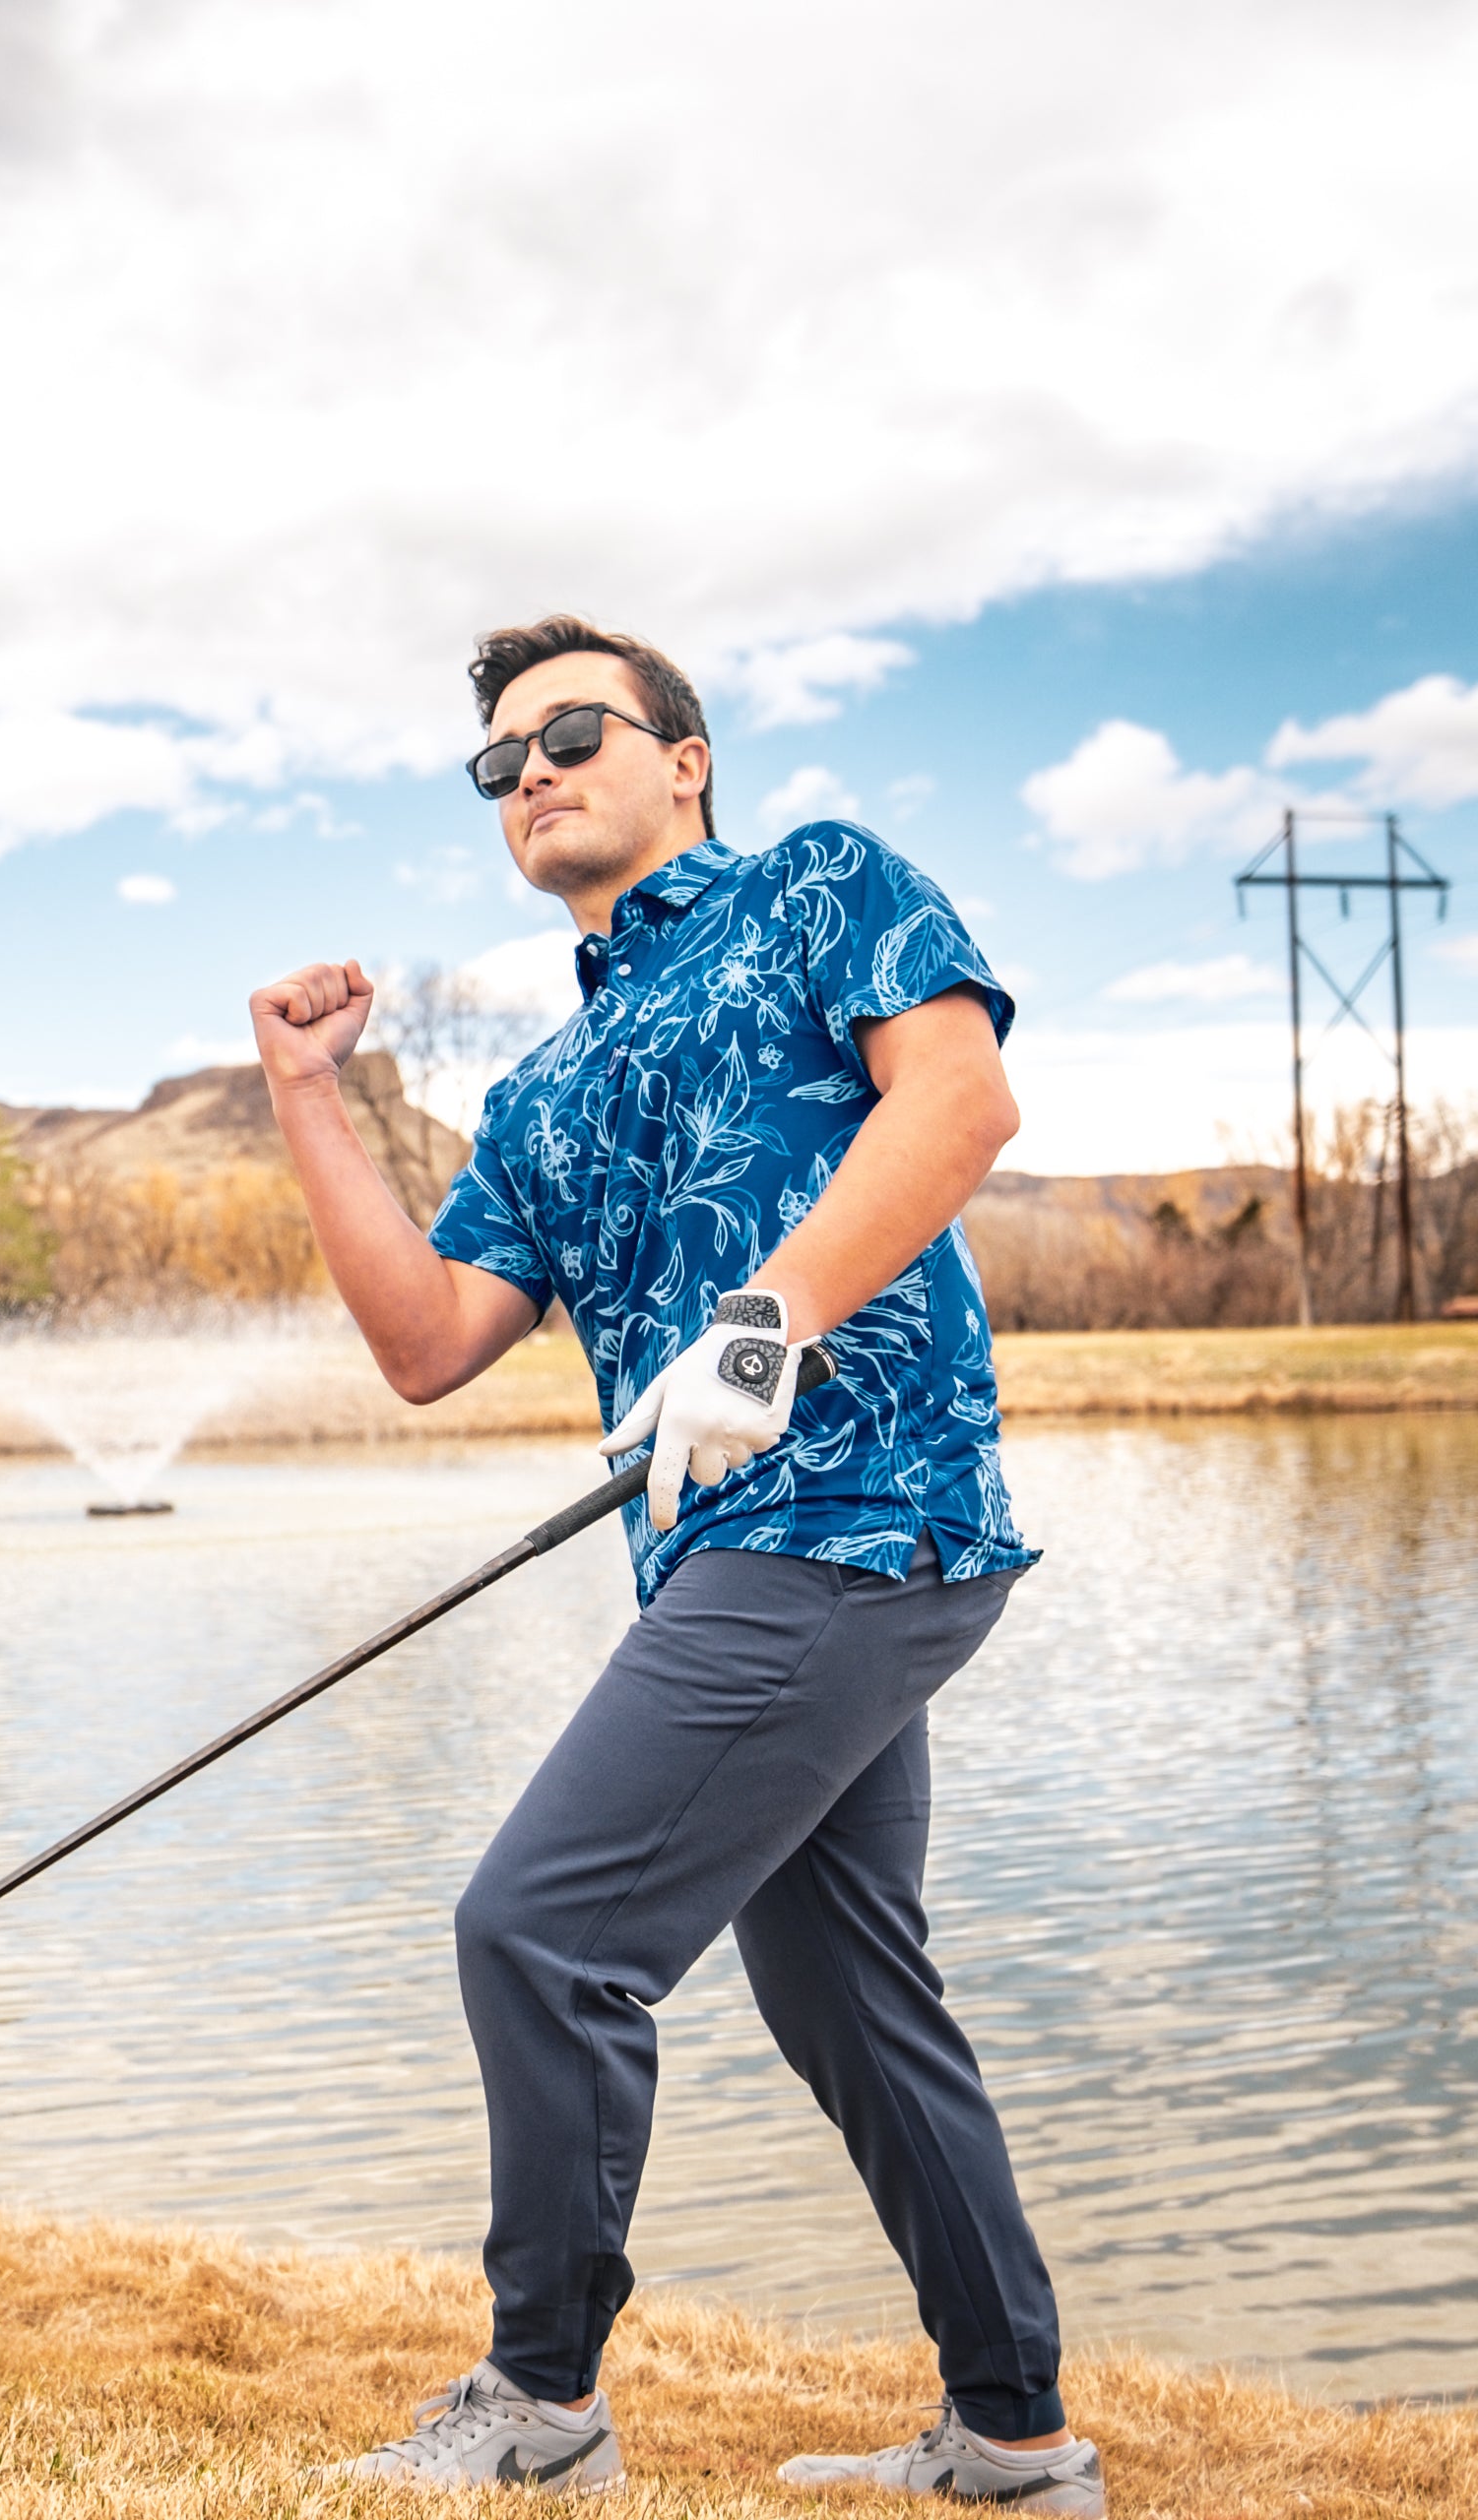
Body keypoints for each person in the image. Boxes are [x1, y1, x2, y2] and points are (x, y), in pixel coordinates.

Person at [247, 615, 1103, 2516]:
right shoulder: (543, 1097)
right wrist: (313, 1097)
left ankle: (538, 2409)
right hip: (722, 1554)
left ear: (685, 754)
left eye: (570, 733)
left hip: (864, 1513)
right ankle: (1018, 2446)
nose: (531, 770)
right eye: (500, 763)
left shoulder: (823, 885)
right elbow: (425, 1342)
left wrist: (765, 1319)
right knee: (850, 2000)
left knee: (539, 1933)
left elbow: (960, 1104)